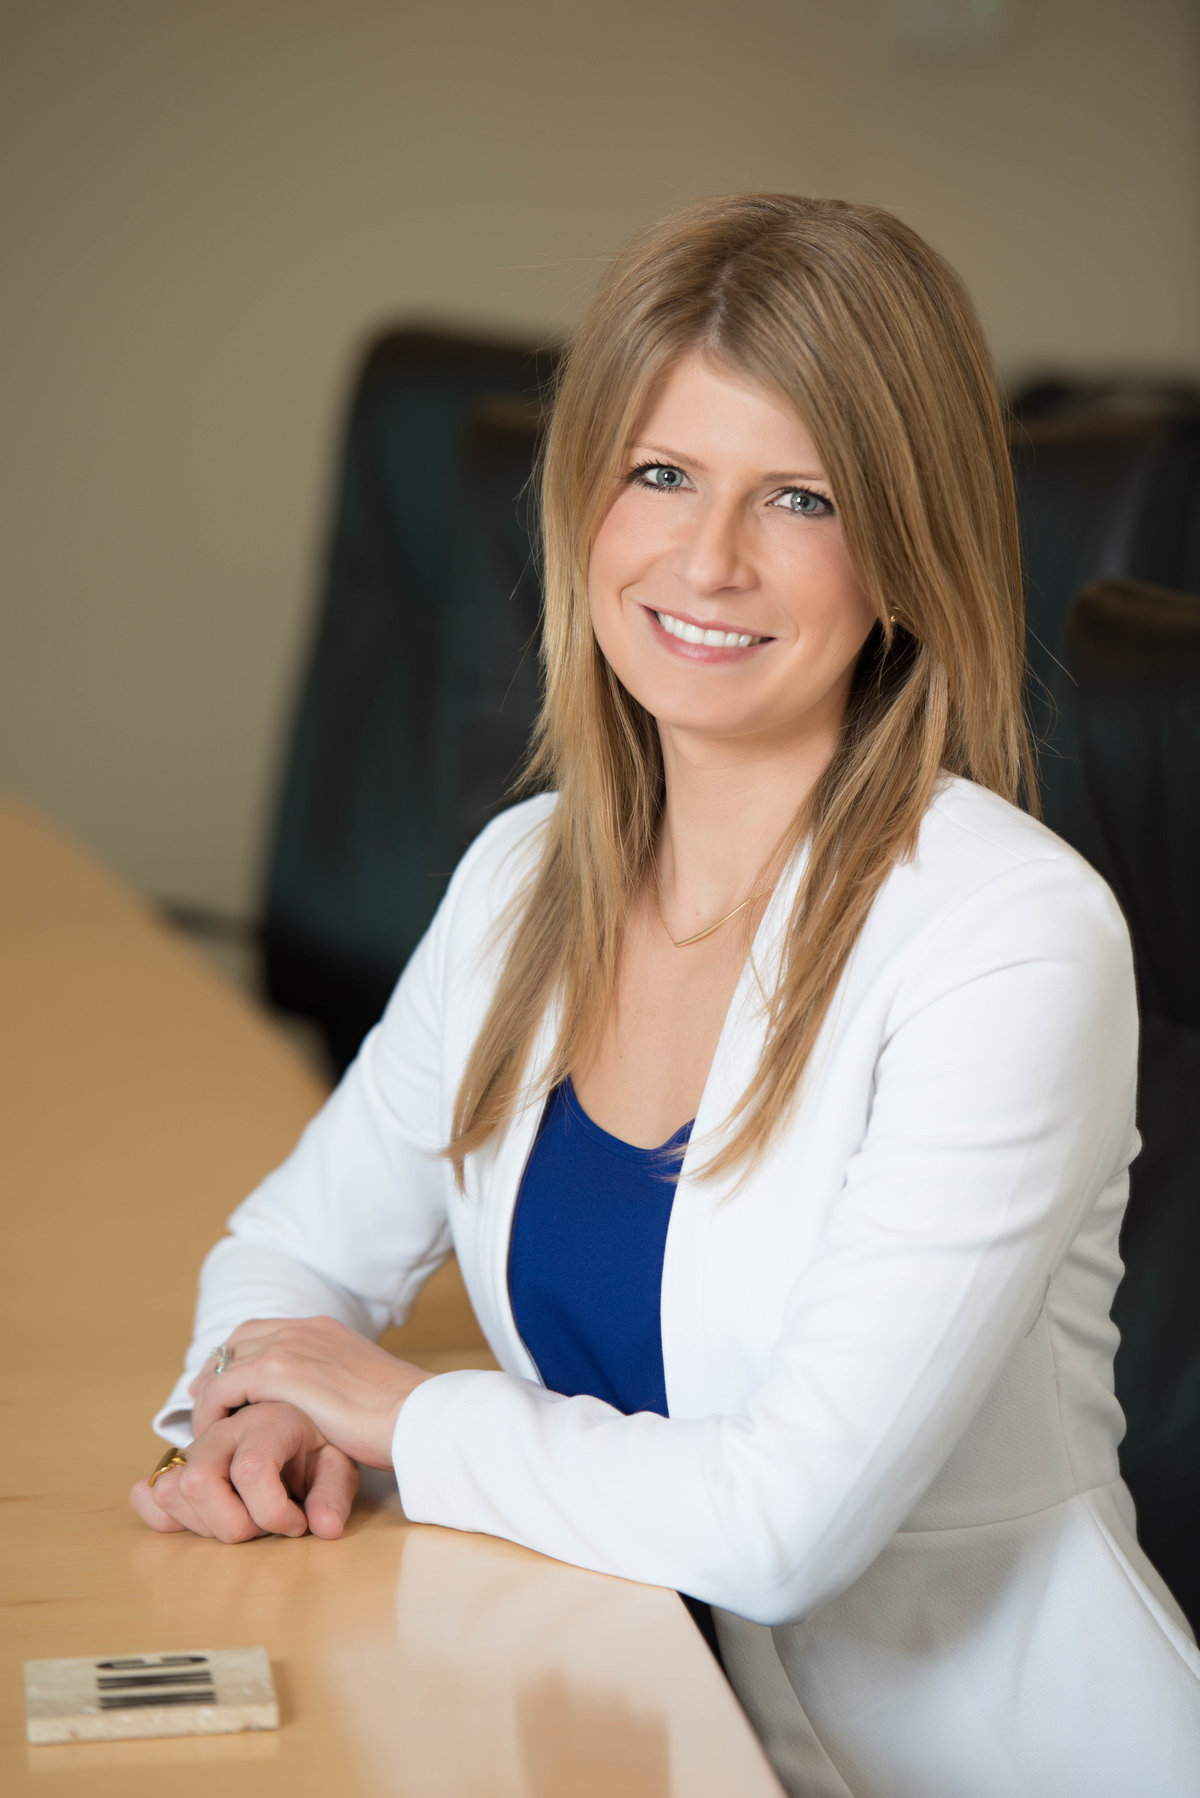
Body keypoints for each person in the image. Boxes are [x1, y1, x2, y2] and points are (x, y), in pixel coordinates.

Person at [131, 194, 1200, 1797]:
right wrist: (254, 1420)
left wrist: (401, 1418)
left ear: (909, 547)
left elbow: (784, 1526)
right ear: (585, 504)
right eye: (663, 473)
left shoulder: (1010, 938)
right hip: (621, 1718)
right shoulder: (524, 879)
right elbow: (287, 1249)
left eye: (802, 497)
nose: (710, 558)